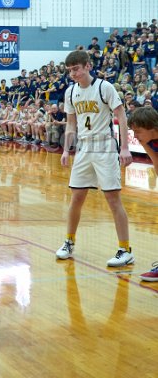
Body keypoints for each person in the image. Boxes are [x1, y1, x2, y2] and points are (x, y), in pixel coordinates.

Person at [56, 50, 134, 267]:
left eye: (76, 69)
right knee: (76, 197)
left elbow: (121, 116)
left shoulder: (104, 87)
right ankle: (69, 242)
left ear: (88, 66)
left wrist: (124, 147)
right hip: (84, 147)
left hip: (105, 146)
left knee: (112, 198)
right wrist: (66, 150)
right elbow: (71, 124)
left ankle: (125, 250)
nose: (73, 74)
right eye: (70, 71)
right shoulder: (71, 92)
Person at [127, 107, 158, 281]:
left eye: (138, 131)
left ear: (151, 126)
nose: (135, 136)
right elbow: (156, 161)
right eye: (133, 131)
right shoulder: (146, 141)